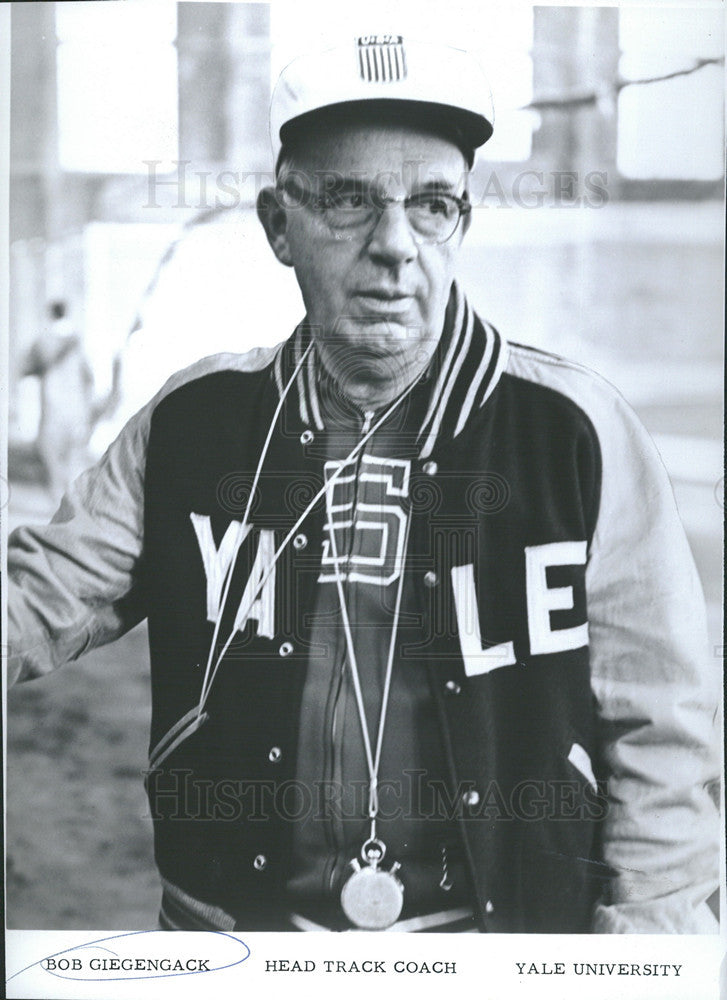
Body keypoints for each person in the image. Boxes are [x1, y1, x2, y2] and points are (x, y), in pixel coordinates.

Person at [6, 34, 720, 935]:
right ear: (277, 224)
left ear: (462, 222)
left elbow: (662, 735)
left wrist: (641, 967)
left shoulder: (576, 431)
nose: (394, 245)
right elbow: (34, 598)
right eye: (348, 201)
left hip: (508, 950)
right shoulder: (194, 423)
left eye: (430, 205)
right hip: (236, 940)